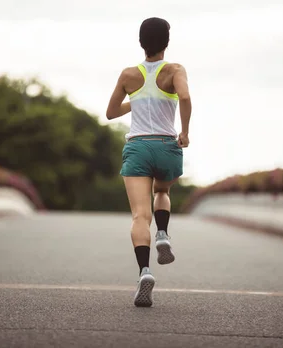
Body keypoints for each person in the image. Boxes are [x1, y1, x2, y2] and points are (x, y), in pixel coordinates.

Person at [105, 17, 192, 307]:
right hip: (167, 145)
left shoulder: (129, 74)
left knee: (140, 217)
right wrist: (185, 132)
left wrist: (139, 99)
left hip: (138, 147)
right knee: (162, 192)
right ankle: (164, 234)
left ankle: (144, 271)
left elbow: (111, 112)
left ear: (141, 43)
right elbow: (185, 96)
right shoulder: (175, 70)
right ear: (166, 42)